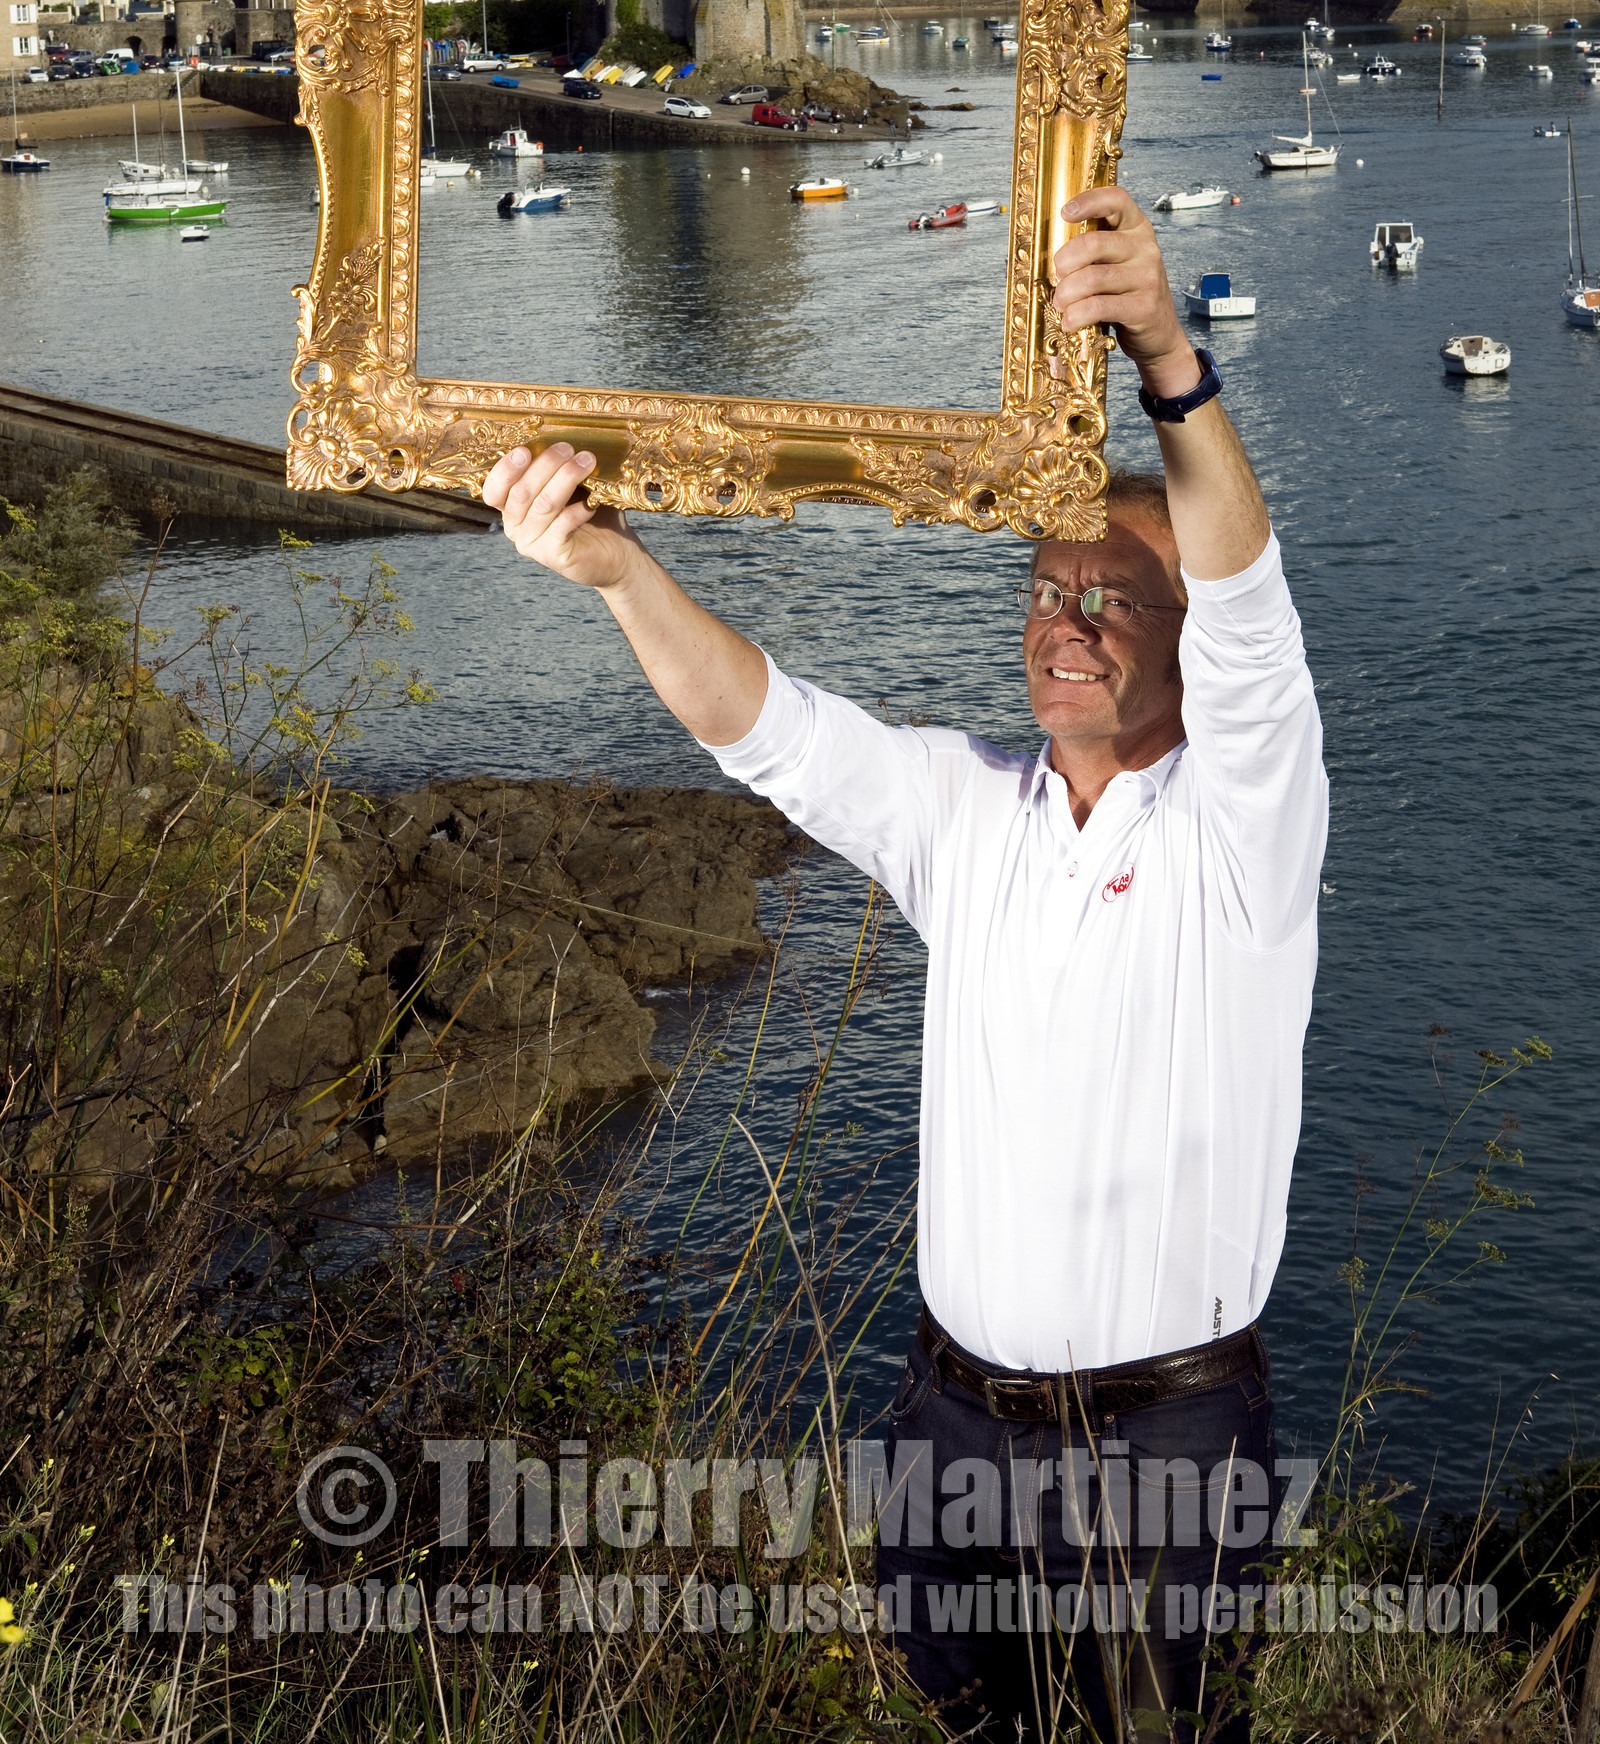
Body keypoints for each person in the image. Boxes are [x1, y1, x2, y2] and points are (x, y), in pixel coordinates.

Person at [483, 185, 1327, 1742]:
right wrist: (620, 576)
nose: (1064, 625)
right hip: (947, 1417)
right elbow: (766, 726)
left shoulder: (1244, 829)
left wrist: (1166, 356)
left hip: (1159, 1445)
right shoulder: (970, 804)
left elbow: (1253, 610)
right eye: (1047, 593)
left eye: (1115, 603)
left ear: (1188, 644)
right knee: (960, 1726)